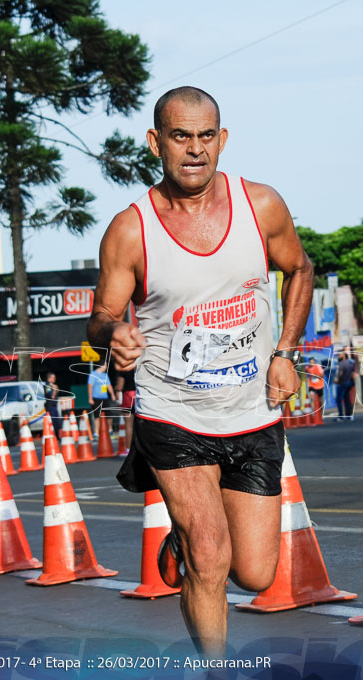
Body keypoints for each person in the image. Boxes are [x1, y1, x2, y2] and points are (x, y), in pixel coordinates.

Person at [87, 86, 313, 657]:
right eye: (181, 136)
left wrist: (286, 352)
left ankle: (184, 545)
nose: (195, 150)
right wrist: (113, 335)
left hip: (251, 409)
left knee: (256, 574)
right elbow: (103, 315)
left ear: (223, 139)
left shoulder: (260, 206)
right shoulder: (131, 229)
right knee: (213, 554)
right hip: (172, 412)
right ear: (155, 141)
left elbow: (300, 269)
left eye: (206, 136)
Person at [111, 364, 136, 456]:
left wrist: (116, 388)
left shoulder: (124, 369)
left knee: (128, 424)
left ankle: (128, 449)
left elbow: (120, 386)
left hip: (128, 395)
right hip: (140, 394)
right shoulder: (141, 365)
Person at [334, 351, 355, 421]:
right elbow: (352, 374)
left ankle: (340, 416)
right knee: (347, 399)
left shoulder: (341, 363)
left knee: (339, 399)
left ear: (343, 356)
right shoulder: (350, 363)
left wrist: (338, 380)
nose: (338, 356)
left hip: (343, 383)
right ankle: (349, 415)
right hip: (349, 383)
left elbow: (341, 373)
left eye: (339, 355)